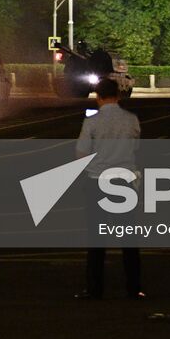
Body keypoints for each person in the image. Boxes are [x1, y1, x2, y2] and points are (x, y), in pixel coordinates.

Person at [74, 78, 143, 300]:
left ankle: (95, 289)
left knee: (96, 240)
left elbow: (81, 153)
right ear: (119, 95)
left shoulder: (92, 122)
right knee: (129, 240)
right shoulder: (131, 119)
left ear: (98, 96)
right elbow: (136, 147)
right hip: (124, 182)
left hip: (97, 181)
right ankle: (134, 288)